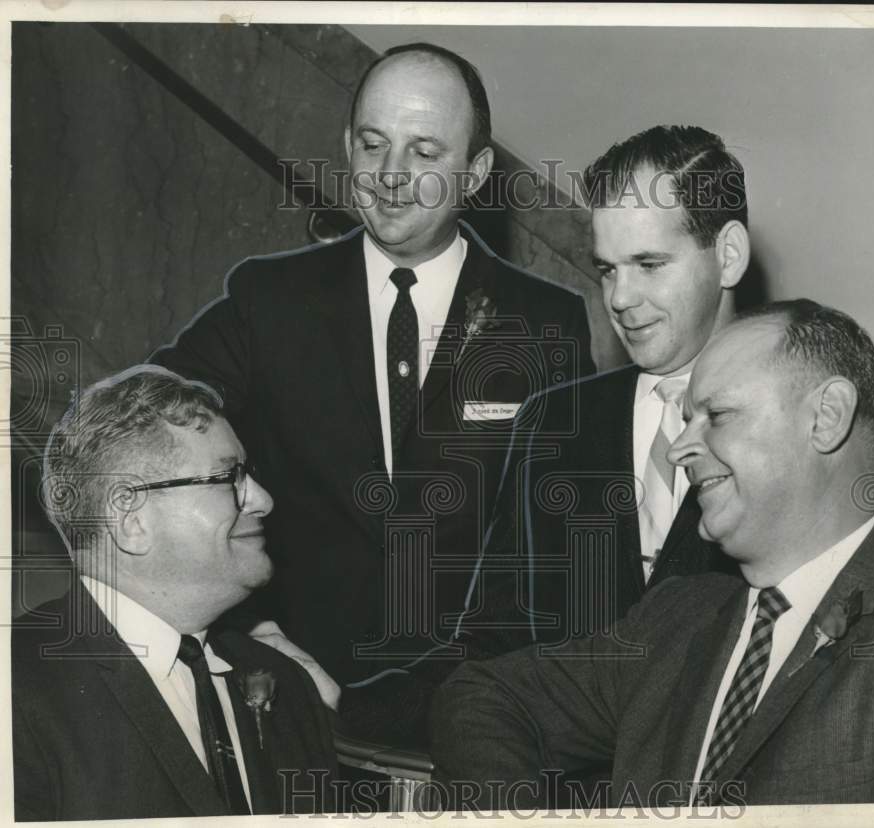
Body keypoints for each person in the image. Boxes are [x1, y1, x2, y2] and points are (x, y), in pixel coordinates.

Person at [150, 43, 595, 694]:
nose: (390, 173)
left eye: (424, 152)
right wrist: (244, 625)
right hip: (286, 697)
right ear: (347, 147)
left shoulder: (545, 322)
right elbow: (147, 433)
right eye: (373, 144)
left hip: (470, 708)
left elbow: (563, 540)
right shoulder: (268, 300)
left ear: (475, 174)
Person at [430, 300, 874, 808]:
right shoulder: (677, 616)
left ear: (826, 416)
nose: (679, 450)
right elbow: (484, 696)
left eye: (716, 416)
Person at [335, 125, 751, 747]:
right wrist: (336, 705)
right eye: (607, 269)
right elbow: (492, 647)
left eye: (649, 264)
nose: (621, 299)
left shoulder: (802, 422)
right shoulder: (553, 422)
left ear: (728, 254)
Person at [13, 367, 339, 820]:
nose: (263, 500)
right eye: (229, 478)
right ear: (131, 520)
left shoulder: (290, 686)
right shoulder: (17, 690)